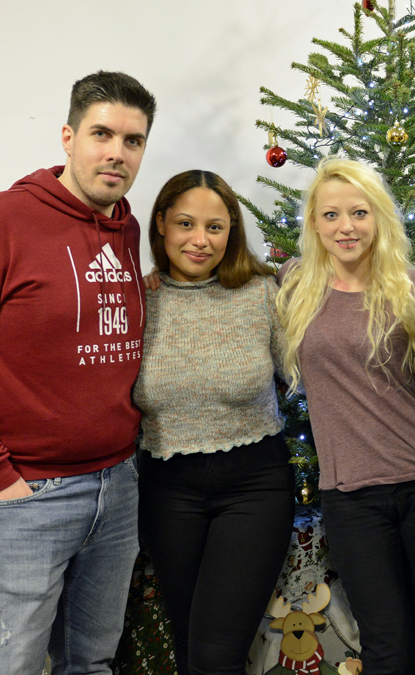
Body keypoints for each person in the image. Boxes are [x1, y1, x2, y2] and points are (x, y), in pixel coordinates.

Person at [0, 71, 157, 674]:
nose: (116, 152)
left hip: (117, 485)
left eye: (133, 140)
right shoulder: (3, 220)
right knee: (11, 665)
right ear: (69, 137)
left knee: (92, 662)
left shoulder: (124, 226)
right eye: (103, 133)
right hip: (28, 493)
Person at [276, 157, 415, 675]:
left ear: (378, 217)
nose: (346, 227)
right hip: (351, 496)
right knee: (384, 642)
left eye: (359, 213)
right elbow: (227, 292)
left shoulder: (412, 286)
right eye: (331, 215)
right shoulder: (293, 285)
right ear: (313, 222)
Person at [131, 170, 295, 674]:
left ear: (233, 231)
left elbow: (311, 370)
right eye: (185, 223)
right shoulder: (138, 299)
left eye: (216, 227)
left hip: (254, 488)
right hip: (166, 490)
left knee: (214, 657)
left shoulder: (263, 292)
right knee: (188, 645)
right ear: (160, 224)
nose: (200, 240)